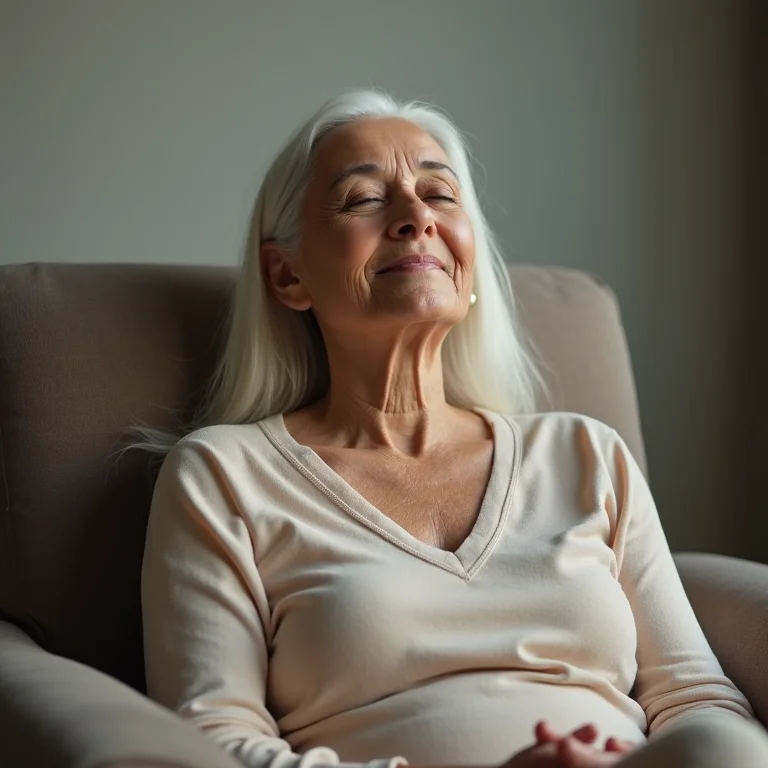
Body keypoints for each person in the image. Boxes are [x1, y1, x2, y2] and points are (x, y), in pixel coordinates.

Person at [137, 90, 768, 768]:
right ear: (287, 274)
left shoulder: (585, 454)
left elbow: (696, 698)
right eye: (363, 200)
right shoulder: (224, 476)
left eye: (440, 195)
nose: (415, 219)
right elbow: (215, 739)